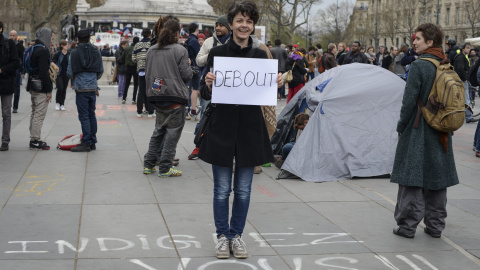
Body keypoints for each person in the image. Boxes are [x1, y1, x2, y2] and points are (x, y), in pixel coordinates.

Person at [200, 1, 282, 259]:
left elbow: (266, 95)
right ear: (231, 24)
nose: (244, 25)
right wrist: (209, 84)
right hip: (222, 127)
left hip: (249, 128)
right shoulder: (217, 54)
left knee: (244, 190)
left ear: (253, 25)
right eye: (239, 21)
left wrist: (276, 83)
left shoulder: (261, 56)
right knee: (222, 189)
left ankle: (237, 235)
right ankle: (222, 236)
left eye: (248, 21)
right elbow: (205, 94)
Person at [391, 23, 459, 239]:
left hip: (419, 127)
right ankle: (435, 226)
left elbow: (409, 101)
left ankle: (407, 226)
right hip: (441, 130)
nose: (414, 42)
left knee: (413, 177)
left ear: (430, 42)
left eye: (418, 38)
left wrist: (401, 126)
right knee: (437, 179)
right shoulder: (445, 63)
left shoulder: (420, 65)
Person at [143, 17, 192, 177]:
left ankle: (148, 165)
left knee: (158, 132)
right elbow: (186, 75)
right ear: (177, 33)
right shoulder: (180, 50)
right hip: (175, 97)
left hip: (157, 96)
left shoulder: (152, 50)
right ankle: (165, 167)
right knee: (172, 135)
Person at [189, 14, 232, 160]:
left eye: (221, 25)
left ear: (228, 27)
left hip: (230, 87)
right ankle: (198, 145)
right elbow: (198, 60)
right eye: (217, 25)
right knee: (205, 117)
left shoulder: (235, 42)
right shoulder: (209, 42)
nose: (218, 28)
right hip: (211, 85)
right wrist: (214, 54)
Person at [67, 29, 103, 152]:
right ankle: (92, 140)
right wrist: (93, 78)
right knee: (91, 114)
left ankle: (86, 142)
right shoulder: (96, 51)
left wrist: (76, 78)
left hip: (81, 88)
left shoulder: (74, 52)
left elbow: (70, 72)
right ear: (89, 38)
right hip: (92, 87)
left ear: (78, 39)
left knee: (84, 115)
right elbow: (101, 70)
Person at [26, 28, 54, 150]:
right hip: (41, 86)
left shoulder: (33, 48)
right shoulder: (43, 51)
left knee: (34, 112)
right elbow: (43, 72)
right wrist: (49, 90)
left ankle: (33, 137)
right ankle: (35, 140)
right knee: (39, 114)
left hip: (32, 84)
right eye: (51, 36)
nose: (52, 39)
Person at [0, 22, 20, 151]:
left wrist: (2, 70)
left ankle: (5, 141)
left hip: (6, 82)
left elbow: (15, 62)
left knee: (6, 113)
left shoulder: (9, 44)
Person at [133, 28, 155, 117]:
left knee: (141, 90)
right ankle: (150, 111)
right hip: (150, 70)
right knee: (150, 90)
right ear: (150, 34)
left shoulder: (137, 45)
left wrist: (140, 62)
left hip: (140, 70)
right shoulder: (152, 44)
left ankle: (139, 111)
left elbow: (133, 59)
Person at [454, 42, 477, 123]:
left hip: (459, 80)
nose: (469, 49)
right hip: (462, 80)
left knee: (461, 98)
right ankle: (468, 117)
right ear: (463, 48)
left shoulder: (461, 56)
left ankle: (464, 116)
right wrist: (465, 79)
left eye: (469, 48)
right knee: (466, 98)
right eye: (467, 47)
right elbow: (460, 69)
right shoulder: (461, 57)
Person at [186, 23, 201, 118]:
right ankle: (192, 109)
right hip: (195, 67)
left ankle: (189, 108)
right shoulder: (194, 41)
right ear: (196, 29)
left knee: (190, 89)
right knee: (195, 89)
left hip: (189, 67)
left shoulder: (187, 40)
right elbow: (199, 55)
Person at [52, 40, 70, 111]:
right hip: (59, 73)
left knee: (64, 89)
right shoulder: (58, 53)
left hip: (66, 74)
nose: (67, 46)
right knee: (60, 88)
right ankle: (57, 103)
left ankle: (62, 104)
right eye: (66, 45)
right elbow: (52, 61)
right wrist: (56, 67)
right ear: (62, 45)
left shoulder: (69, 54)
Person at [9, 30, 24, 114]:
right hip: (8, 69)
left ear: (16, 36)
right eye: (11, 35)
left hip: (16, 69)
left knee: (17, 88)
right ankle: (8, 104)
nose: (12, 36)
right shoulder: (6, 45)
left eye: (13, 35)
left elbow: (22, 58)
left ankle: (15, 106)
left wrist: (21, 71)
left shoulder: (20, 47)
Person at [121, 36, 139, 104]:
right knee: (135, 84)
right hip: (136, 68)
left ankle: (124, 98)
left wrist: (125, 63)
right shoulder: (137, 48)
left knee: (126, 84)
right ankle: (133, 99)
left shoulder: (127, 48)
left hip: (128, 67)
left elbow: (121, 58)